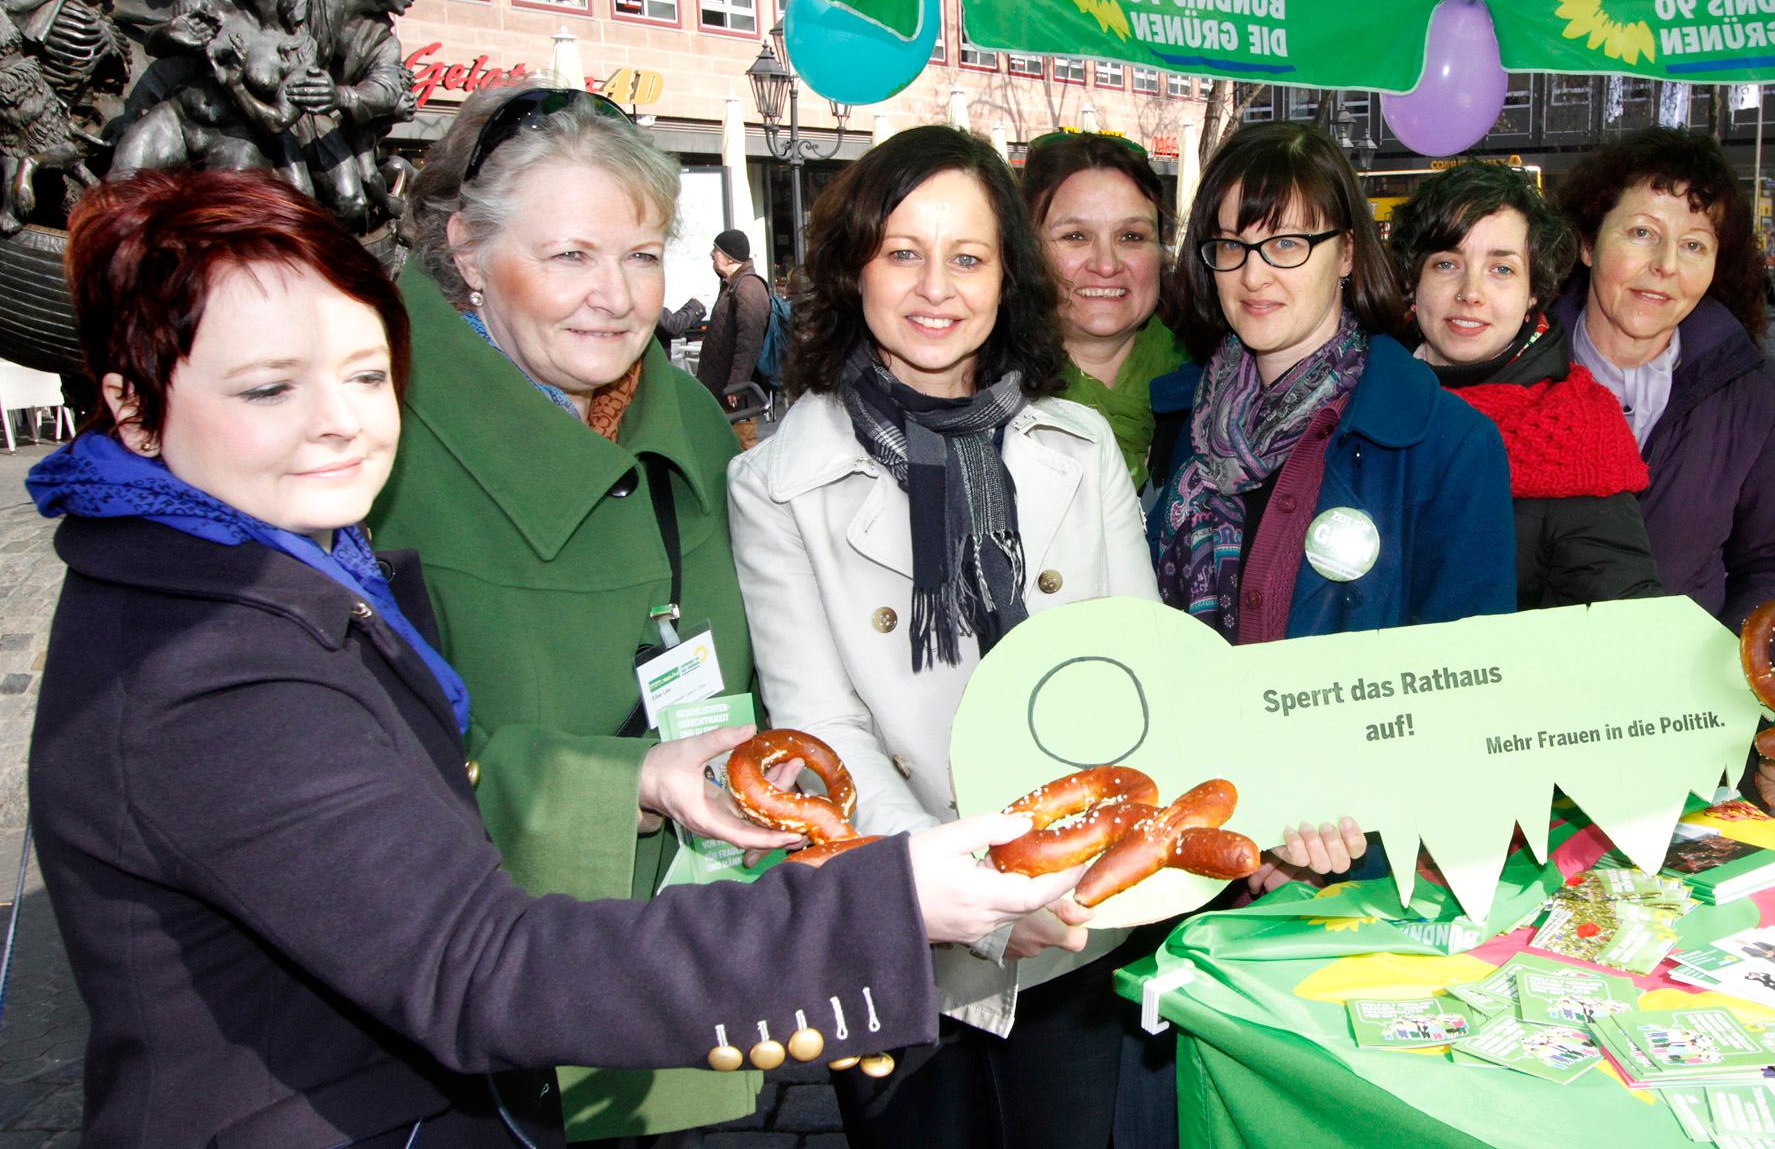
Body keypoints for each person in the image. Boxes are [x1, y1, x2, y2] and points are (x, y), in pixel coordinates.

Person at [28, 168, 1078, 1148]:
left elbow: (397, 827)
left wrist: (647, 776)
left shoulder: (259, 571)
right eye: (268, 389)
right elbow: (482, 967)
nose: (338, 423)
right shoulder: (210, 661)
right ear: (132, 404)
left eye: (363, 372)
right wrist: (884, 904)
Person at [727, 125, 1159, 1149]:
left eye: (967, 256)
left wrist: (1065, 877)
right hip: (896, 918)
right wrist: (961, 883)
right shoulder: (776, 480)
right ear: (853, 269)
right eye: (902, 252)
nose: (937, 287)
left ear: (1008, 275)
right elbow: (821, 731)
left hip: (1074, 915)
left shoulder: (1079, 442)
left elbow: (1136, 672)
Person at [367, 86, 774, 1138]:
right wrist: (610, 785)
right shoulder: (367, 435)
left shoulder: (681, 407)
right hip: (483, 987)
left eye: (642, 256)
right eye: (569, 256)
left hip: (692, 928)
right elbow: (354, 762)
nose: (615, 296)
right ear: (466, 249)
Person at [1152, 122, 1517, 893]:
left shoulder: (1447, 443)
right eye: (1231, 245)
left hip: (1348, 874)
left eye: (1287, 243)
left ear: (1346, 254)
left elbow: (1462, 696)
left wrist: (1340, 839)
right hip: (1182, 847)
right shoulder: (1181, 422)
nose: (1254, 275)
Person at [1554, 128, 1775, 815]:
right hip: (1527, 738)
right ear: (1588, 242)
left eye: (1693, 245)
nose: (1663, 266)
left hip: (1683, 737)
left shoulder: (1748, 388)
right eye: (1641, 233)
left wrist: (1724, 693)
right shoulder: (1514, 370)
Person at [1386, 161, 1662, 609]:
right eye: (1446, 263)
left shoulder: (1577, 432)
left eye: (1502, 270)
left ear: (1534, 291)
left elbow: (1624, 618)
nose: (1470, 291)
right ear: (1414, 281)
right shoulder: (1355, 399)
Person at [1025, 129, 1189, 492]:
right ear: (1027, 251)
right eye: (1075, 236)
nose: (1106, 264)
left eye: (1131, 236)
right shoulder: (982, 401)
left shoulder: (1218, 397)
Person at [696, 226, 772, 450]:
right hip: (723, 390)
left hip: (737, 395)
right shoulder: (733, 286)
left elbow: (749, 341)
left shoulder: (748, 287)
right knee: (722, 446)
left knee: (740, 448)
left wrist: (737, 384)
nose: (712, 255)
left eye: (716, 251)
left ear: (729, 257)